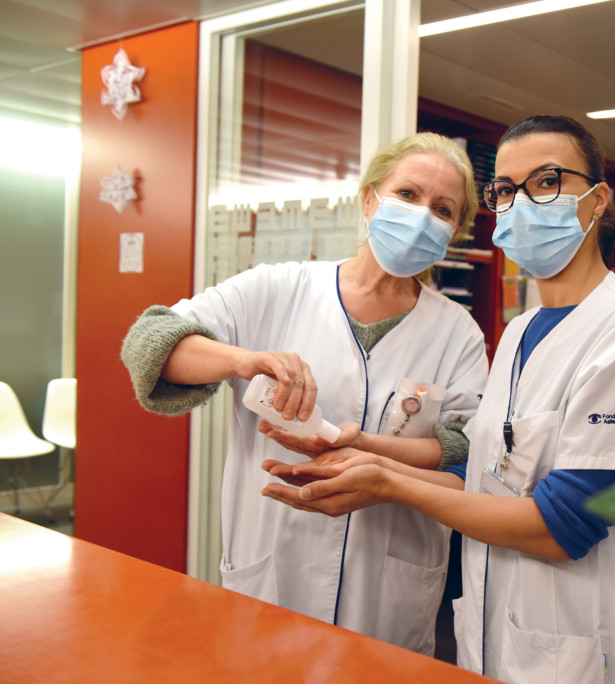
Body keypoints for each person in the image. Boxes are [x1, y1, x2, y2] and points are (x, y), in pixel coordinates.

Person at [263, 115, 615, 682]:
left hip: (589, 646)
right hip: (499, 635)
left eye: (547, 181)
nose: (521, 203)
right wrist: (369, 458)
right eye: (505, 190)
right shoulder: (517, 332)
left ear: (597, 200)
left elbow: (562, 526)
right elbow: (482, 479)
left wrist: (388, 484)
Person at [119, 132, 489, 656]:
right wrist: (243, 360)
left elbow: (461, 449)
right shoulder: (280, 287)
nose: (422, 215)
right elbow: (149, 342)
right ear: (370, 199)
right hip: (273, 565)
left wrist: (372, 455)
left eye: (443, 209)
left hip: (388, 587)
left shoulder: (458, 333)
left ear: (453, 231)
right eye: (407, 195)